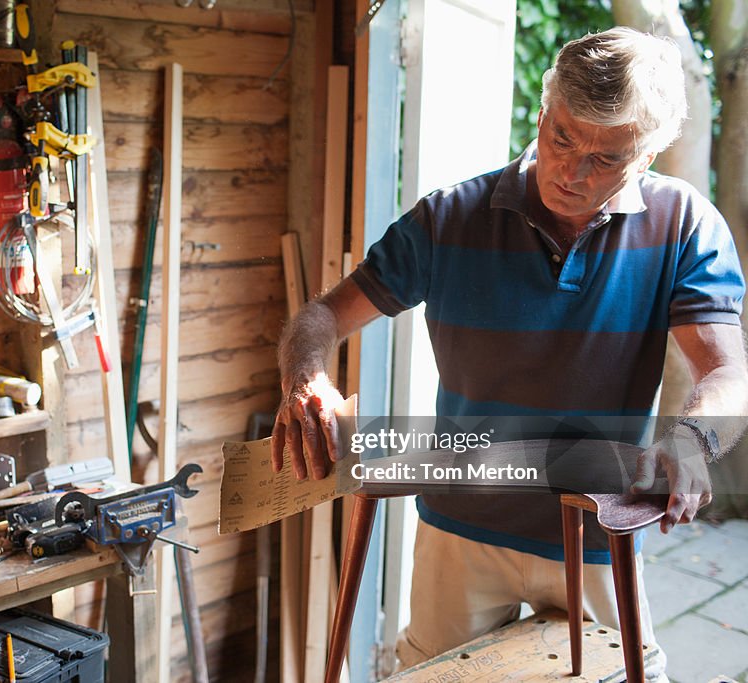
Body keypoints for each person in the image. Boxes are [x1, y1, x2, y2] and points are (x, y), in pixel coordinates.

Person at [271, 27, 748, 678]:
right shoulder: (448, 218)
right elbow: (321, 315)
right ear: (544, 110)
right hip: (460, 526)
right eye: (562, 138)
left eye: (605, 159)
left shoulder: (685, 224)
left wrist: (692, 439)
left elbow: (727, 370)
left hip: (597, 527)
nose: (572, 174)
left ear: (648, 155)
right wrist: (307, 376)